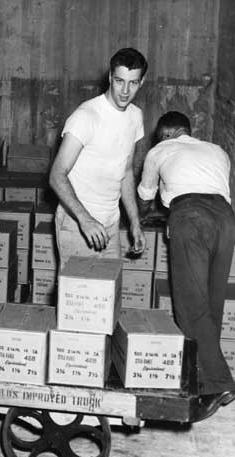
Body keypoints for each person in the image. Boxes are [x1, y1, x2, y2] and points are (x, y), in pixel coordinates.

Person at [138, 111, 235, 420]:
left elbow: (144, 194)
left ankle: (217, 384)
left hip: (190, 217)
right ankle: (199, 377)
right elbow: (211, 188)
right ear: (189, 131)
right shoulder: (217, 150)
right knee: (211, 301)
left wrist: (139, 220)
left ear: (166, 135)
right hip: (225, 219)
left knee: (191, 304)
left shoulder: (159, 151)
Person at [49, 48, 148, 267]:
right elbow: (57, 175)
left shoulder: (135, 116)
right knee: (78, 298)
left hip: (110, 224)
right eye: (120, 81)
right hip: (78, 224)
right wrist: (85, 220)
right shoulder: (86, 116)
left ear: (142, 82)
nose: (125, 90)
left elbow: (127, 171)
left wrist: (134, 222)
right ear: (110, 78)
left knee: (109, 296)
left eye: (133, 83)